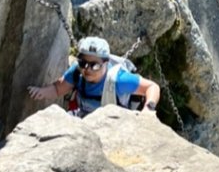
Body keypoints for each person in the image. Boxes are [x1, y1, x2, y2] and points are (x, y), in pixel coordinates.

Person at [28, 36, 160, 116]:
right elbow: (58, 89)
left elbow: (152, 87)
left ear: (106, 63)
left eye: (95, 65)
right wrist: (40, 92)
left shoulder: (119, 80)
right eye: (83, 63)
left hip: (114, 126)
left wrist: (149, 109)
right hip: (85, 119)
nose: (87, 69)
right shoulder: (77, 72)